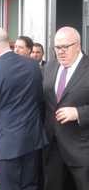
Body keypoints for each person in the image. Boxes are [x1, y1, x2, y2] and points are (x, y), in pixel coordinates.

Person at [0, 27, 47, 190]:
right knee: (31, 186)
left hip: (7, 144)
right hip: (33, 139)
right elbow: (40, 100)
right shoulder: (33, 66)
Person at [43, 26, 89, 190]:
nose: (60, 52)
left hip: (81, 149)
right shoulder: (49, 67)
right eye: (57, 47)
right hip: (52, 147)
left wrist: (78, 113)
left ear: (78, 45)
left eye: (65, 47)